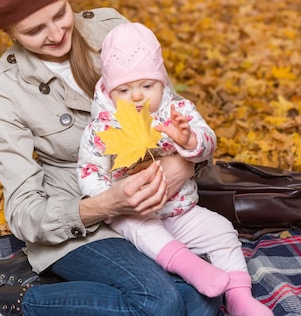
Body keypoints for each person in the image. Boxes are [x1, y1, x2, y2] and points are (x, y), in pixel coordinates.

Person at [0, 0, 223, 316]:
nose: (57, 33)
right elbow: (24, 210)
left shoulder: (112, 30)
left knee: (204, 298)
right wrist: (105, 204)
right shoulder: (4, 85)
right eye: (33, 30)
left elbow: (178, 114)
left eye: (60, 13)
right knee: (162, 303)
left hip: (155, 210)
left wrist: (181, 165)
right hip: (82, 221)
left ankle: (49, 287)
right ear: (8, 33)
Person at [77, 22, 273, 316]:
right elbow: (89, 172)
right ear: (108, 88)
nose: (138, 96)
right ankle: (192, 267)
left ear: (162, 81)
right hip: (135, 214)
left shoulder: (178, 113)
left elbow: (209, 143)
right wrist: (114, 195)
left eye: (147, 85)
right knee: (140, 228)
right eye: (124, 89)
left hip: (181, 210)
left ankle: (238, 296)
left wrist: (189, 140)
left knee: (222, 231)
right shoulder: (102, 128)